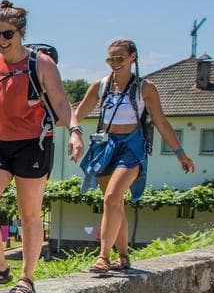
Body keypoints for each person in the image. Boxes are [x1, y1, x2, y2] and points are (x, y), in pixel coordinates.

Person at [0, 0, 83, 293]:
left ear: (20, 32)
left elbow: (60, 103)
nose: (2, 41)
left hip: (33, 144)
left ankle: (27, 277)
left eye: (7, 35)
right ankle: (0, 268)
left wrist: (75, 131)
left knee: (29, 214)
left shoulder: (40, 64)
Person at [73, 39, 195, 271]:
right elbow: (77, 115)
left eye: (120, 58)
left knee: (111, 197)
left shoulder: (144, 88)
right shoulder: (101, 85)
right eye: (111, 59)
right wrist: (69, 132)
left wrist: (180, 153)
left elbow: (160, 120)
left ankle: (103, 257)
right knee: (114, 203)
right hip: (105, 147)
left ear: (132, 58)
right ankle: (124, 256)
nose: (115, 64)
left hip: (131, 148)